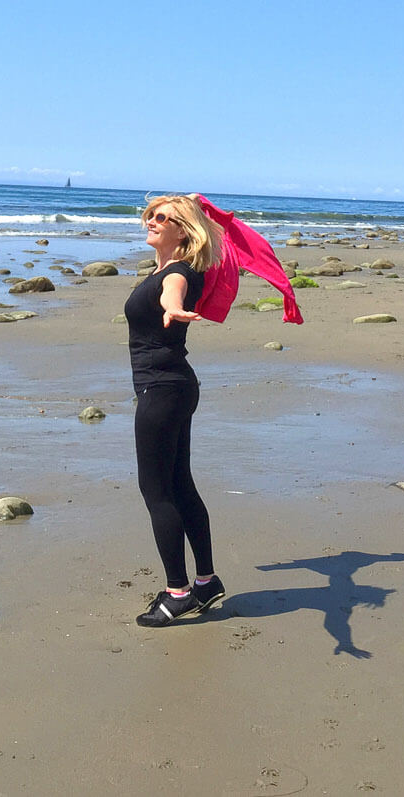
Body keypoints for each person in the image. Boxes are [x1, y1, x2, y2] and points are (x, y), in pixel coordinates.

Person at [126, 194, 227, 627]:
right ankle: (205, 583)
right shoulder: (165, 269)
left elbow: (174, 294)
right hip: (175, 387)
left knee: (157, 491)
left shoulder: (179, 274)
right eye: (149, 214)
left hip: (163, 390)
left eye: (161, 217)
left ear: (182, 230)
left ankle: (178, 592)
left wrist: (172, 308)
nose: (150, 220)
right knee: (180, 484)